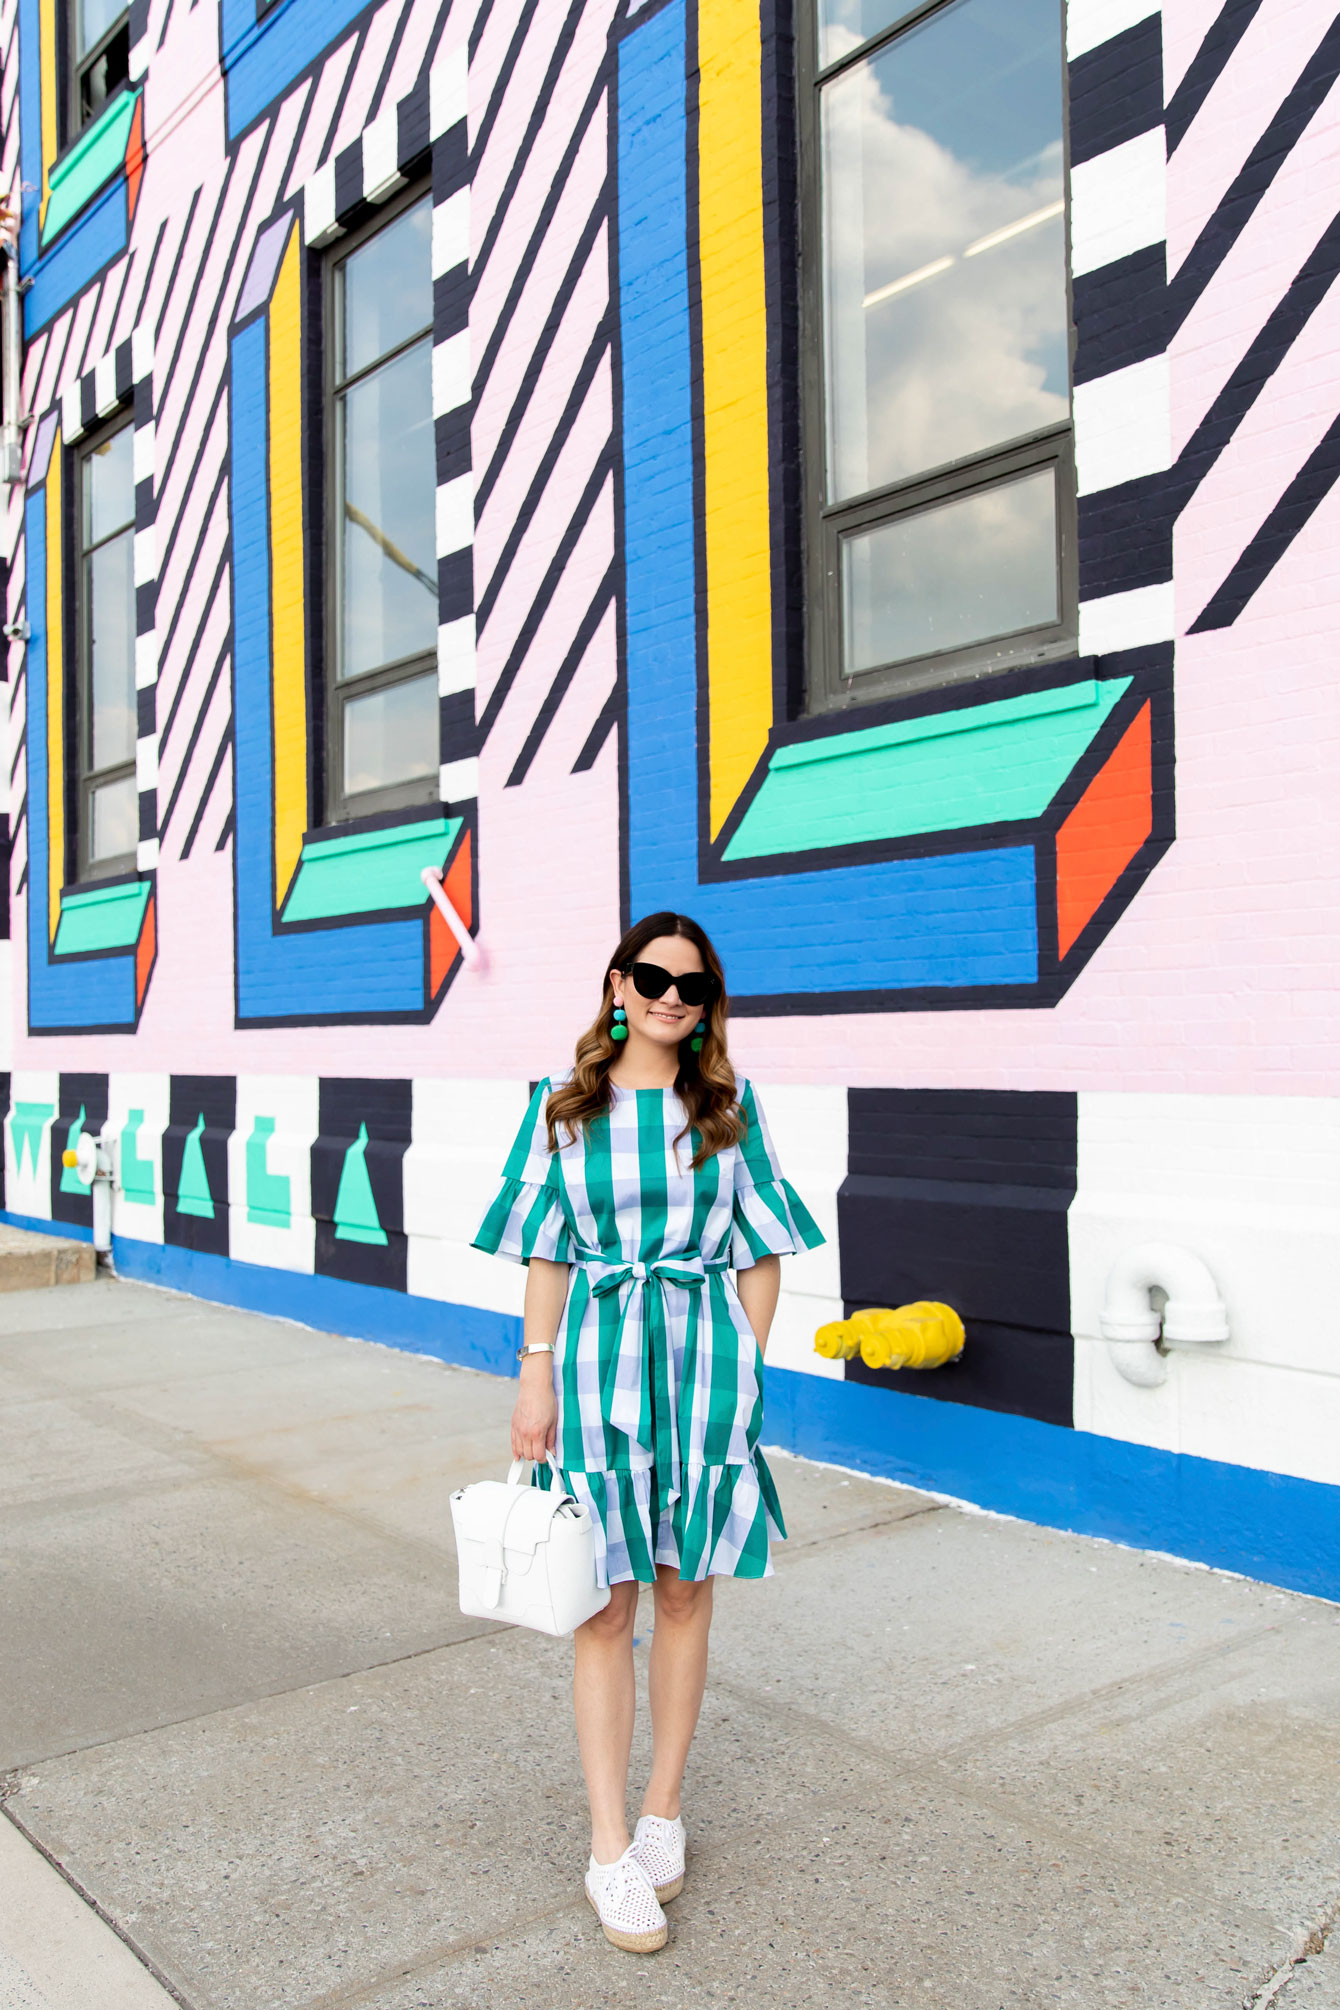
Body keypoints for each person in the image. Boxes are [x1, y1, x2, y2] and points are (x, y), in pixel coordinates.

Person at [472, 910, 823, 1953]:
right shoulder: (561, 1105)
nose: (674, 996)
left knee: (682, 1586)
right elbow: (543, 1251)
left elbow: (762, 1244)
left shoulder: (726, 1105)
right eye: (655, 977)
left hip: (704, 1363)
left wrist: (747, 1364)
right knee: (601, 1602)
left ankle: (664, 1810)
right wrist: (531, 1379)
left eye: (695, 985)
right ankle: (608, 1844)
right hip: (591, 1369)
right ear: (616, 986)